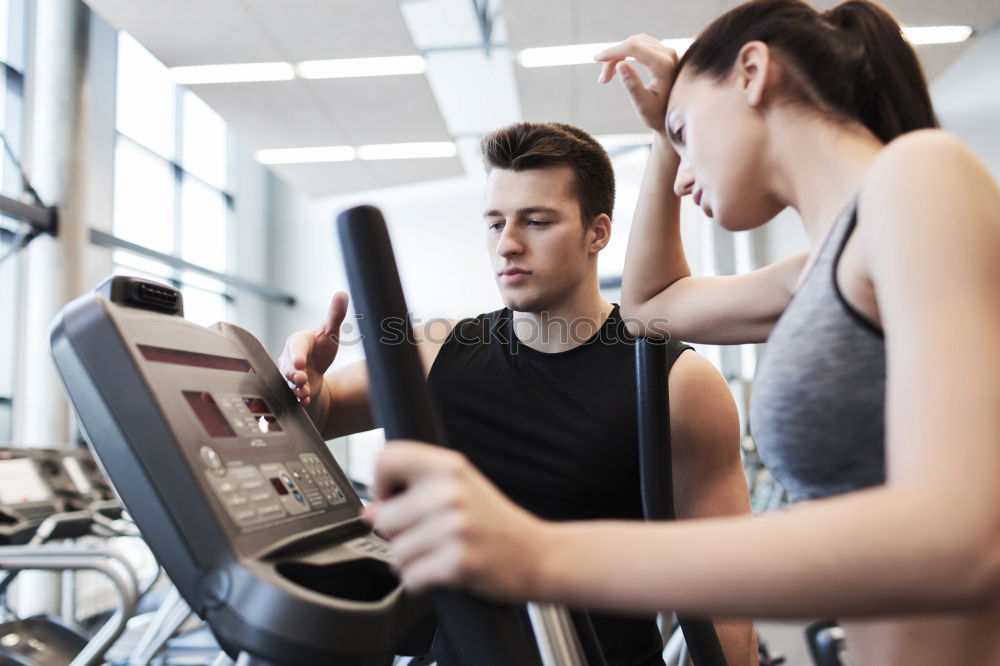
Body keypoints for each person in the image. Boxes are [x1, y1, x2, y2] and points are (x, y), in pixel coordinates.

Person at [364, 1, 1000, 664]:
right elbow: (649, 307)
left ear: (752, 72)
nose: (686, 171)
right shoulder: (823, 268)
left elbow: (966, 538)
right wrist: (666, 135)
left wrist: (542, 552)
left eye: (685, 134)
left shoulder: (921, 172)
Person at [279, 122, 756, 665]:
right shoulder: (438, 351)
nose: (507, 243)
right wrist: (305, 382)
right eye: (495, 222)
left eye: (537, 221)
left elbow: (724, 595)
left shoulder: (677, 383)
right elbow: (322, 412)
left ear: (597, 232)